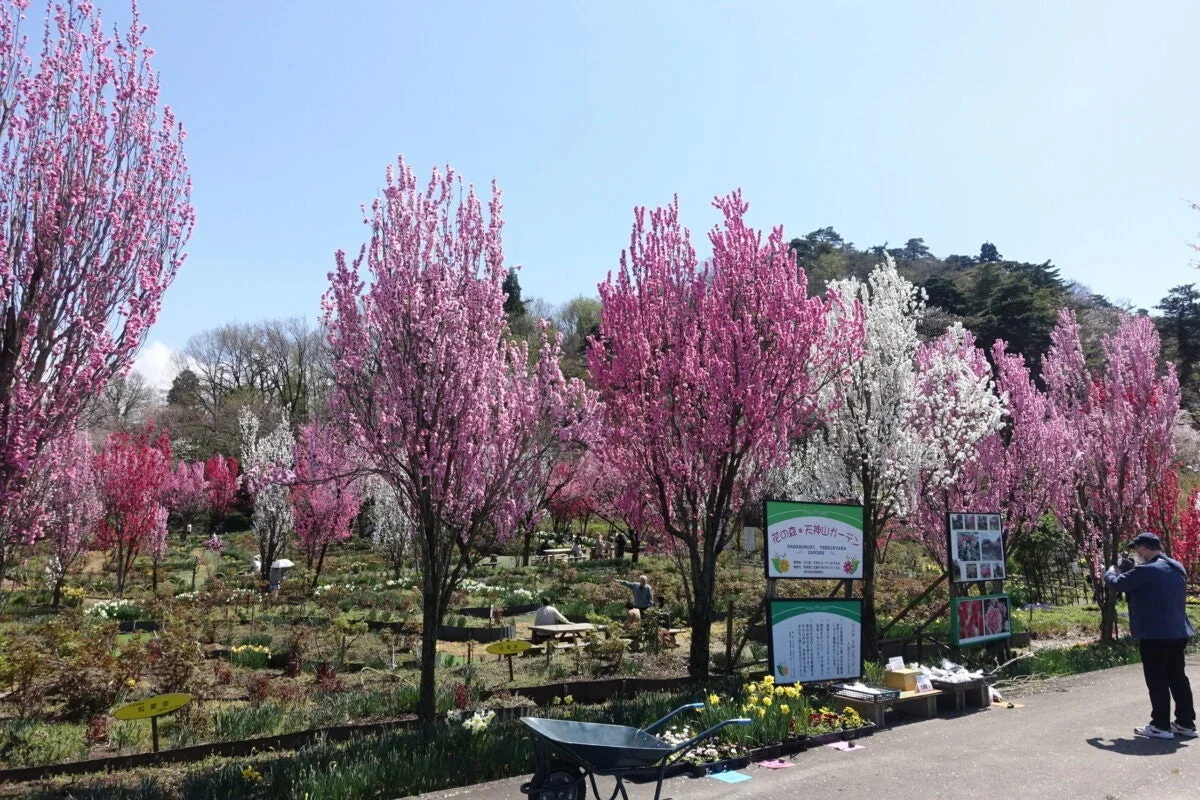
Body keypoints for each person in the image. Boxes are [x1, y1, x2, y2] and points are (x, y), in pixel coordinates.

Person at [1104, 531, 1196, 739]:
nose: (1137, 553)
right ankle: (1186, 723)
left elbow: (1117, 584)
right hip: (1178, 631)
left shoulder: (1146, 570)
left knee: (1157, 679)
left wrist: (1110, 571)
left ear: (1144, 548)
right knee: (1177, 677)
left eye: (1137, 549)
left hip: (1155, 633)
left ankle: (1160, 725)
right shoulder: (1176, 567)